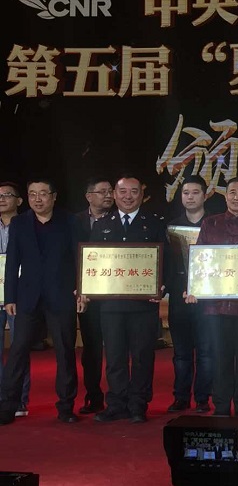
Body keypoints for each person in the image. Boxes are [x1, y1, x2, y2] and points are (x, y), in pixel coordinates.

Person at [185, 176, 238, 417]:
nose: (236, 197)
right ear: (225, 196)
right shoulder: (210, 224)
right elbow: (200, 260)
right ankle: (222, 406)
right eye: (232, 192)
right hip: (216, 306)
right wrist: (193, 287)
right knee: (219, 357)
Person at [0, 179, 81, 425]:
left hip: (61, 295)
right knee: (17, 351)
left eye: (43, 194)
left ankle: (66, 407)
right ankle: (7, 406)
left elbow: (80, 257)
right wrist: (10, 297)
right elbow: (12, 262)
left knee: (65, 352)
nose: (38, 199)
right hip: (28, 297)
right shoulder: (20, 223)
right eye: (32, 194)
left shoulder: (70, 221)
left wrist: (82, 290)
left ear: (54, 196)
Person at [90, 174, 168, 423]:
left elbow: (167, 261)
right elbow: (92, 261)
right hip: (110, 305)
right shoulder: (102, 225)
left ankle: (138, 405)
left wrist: (161, 287)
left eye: (134, 191)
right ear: (114, 194)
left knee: (143, 356)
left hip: (143, 305)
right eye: (122, 192)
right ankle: (116, 404)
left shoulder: (154, 223)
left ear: (142, 195)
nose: (128, 196)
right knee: (114, 357)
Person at [166, 176, 213, 413]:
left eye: (195, 192)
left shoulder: (215, 225)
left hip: (207, 300)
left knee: (206, 352)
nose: (190, 197)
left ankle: (203, 399)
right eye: (186, 193)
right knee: (181, 353)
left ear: (205, 195)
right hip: (179, 298)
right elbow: (167, 265)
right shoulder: (171, 227)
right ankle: (181, 397)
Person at [74, 176, 114, 415]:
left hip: (114, 293)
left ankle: (118, 397)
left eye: (110, 191)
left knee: (117, 348)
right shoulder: (75, 221)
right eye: (102, 192)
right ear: (89, 196)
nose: (108, 195)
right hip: (87, 295)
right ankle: (94, 396)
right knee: (91, 349)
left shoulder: (120, 219)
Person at [0, 182, 31, 418]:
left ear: (19, 201)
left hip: (18, 295)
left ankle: (19, 399)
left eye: (7, 195)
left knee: (19, 347)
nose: (1, 199)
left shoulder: (27, 226)